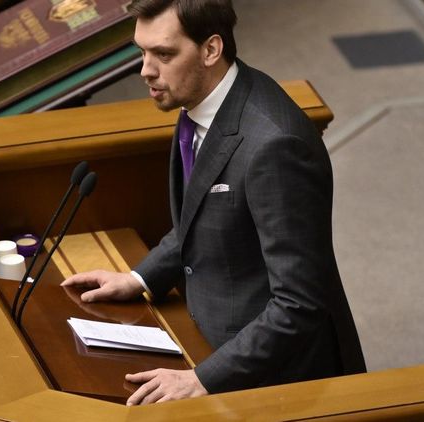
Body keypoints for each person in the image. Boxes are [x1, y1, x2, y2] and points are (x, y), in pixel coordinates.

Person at [61, 0, 366, 405]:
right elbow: (201, 217)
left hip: (277, 382)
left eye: (163, 54)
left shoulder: (275, 146)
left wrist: (202, 379)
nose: (145, 70)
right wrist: (139, 278)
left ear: (210, 50)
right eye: (142, 51)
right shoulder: (201, 100)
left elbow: (298, 304)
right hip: (210, 340)